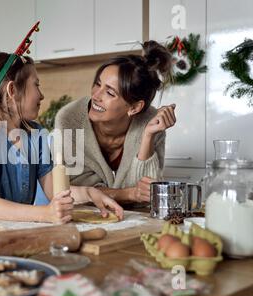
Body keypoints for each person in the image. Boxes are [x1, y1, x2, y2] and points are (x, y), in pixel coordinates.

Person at [0, 51, 123, 223]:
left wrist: (90, 193)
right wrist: (46, 213)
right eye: (36, 85)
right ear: (12, 90)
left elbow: (55, 191)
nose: (41, 95)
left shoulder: (35, 135)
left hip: (17, 229)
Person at [55, 41, 177, 204]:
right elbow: (75, 188)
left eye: (110, 93)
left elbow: (146, 195)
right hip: (85, 216)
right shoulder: (69, 120)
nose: (96, 96)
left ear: (134, 107)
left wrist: (148, 136)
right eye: (98, 84)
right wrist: (129, 194)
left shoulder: (152, 122)